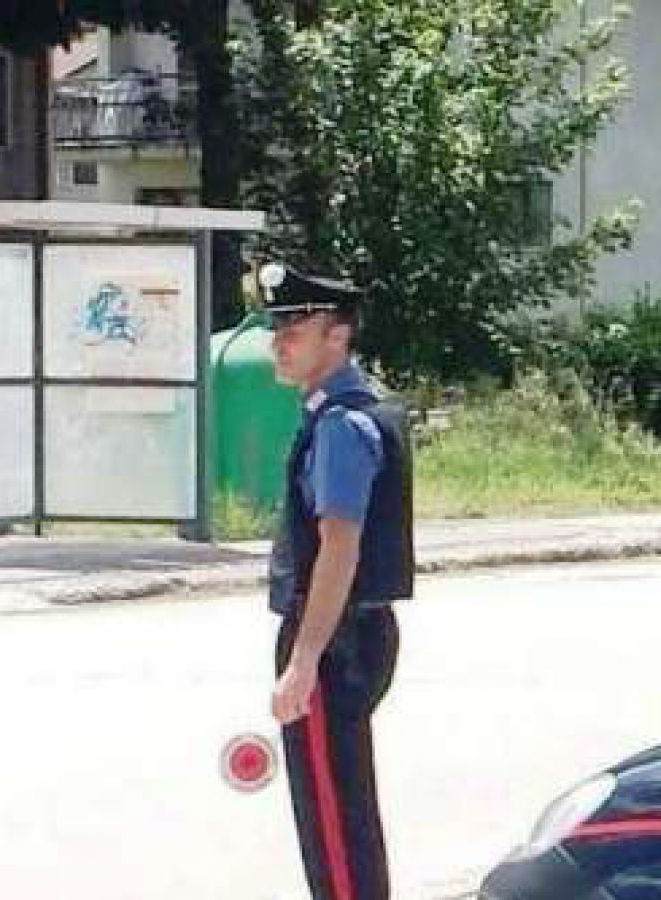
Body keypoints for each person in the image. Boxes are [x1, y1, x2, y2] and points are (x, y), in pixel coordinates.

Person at [262, 262, 414, 900]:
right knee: (343, 812)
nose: (281, 339)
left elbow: (339, 549)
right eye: (278, 325)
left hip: (334, 639)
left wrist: (303, 660)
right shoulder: (357, 412)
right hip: (352, 633)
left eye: (298, 324)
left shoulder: (342, 426)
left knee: (334, 824)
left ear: (338, 335)